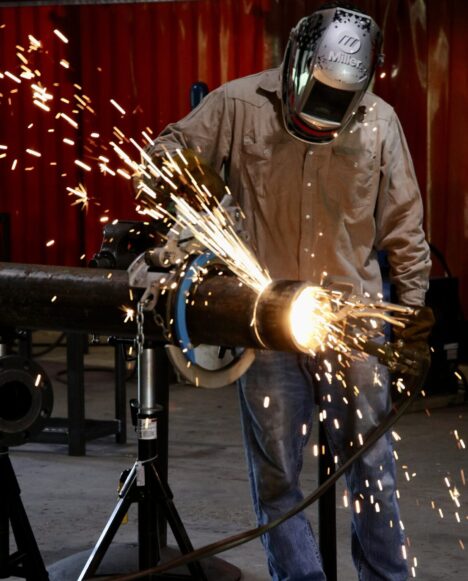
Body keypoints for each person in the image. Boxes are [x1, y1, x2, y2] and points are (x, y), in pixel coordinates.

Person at [145, 2, 434, 579]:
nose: (324, 112)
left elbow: (404, 223)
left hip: (352, 321)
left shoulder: (380, 121)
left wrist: (413, 312)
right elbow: (161, 155)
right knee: (278, 476)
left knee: (371, 468)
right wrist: (177, 171)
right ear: (298, 65)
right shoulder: (237, 104)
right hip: (264, 320)